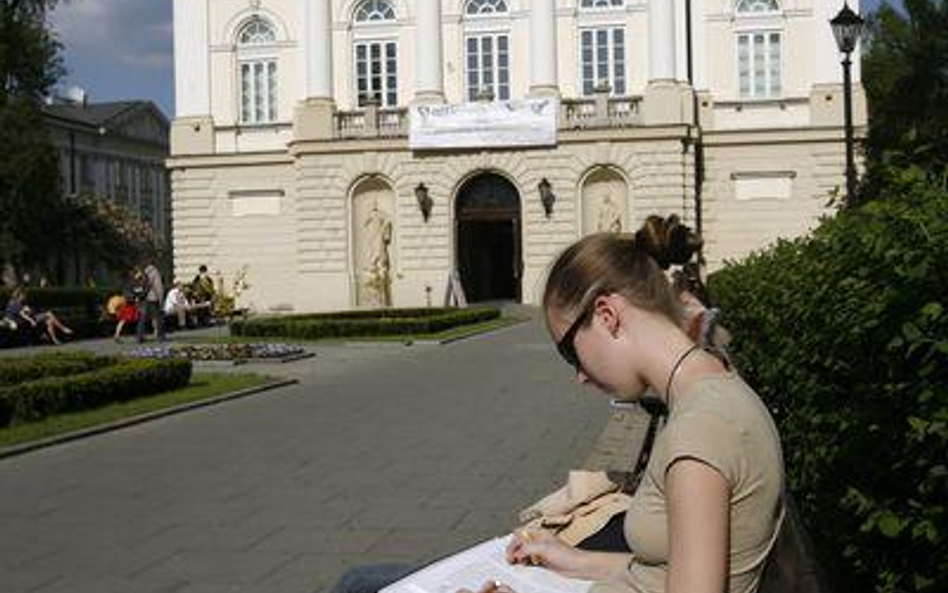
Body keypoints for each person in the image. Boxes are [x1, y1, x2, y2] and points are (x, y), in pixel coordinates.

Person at [330, 215, 785, 593]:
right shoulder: (710, 394)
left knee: (359, 584)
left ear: (606, 316)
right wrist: (574, 560)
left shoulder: (699, 429)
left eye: (570, 350)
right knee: (363, 582)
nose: (580, 374)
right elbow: (664, 574)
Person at [3, 287, 74, 345]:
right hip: (28, 320)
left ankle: (55, 339)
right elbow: (22, 314)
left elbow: (29, 311)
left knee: (49, 320)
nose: (25, 297)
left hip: (32, 317)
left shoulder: (22, 302)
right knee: (49, 314)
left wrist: (29, 310)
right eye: (23, 295)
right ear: (19, 295)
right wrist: (31, 321)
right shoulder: (14, 303)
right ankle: (62, 329)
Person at [137, 263, 165, 342]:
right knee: (158, 317)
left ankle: (140, 336)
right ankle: (160, 336)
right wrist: (161, 300)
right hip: (153, 298)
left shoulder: (144, 272)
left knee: (143, 318)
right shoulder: (155, 273)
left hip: (144, 298)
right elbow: (158, 287)